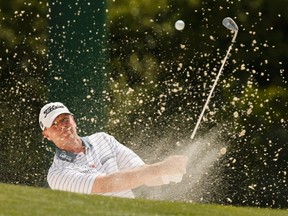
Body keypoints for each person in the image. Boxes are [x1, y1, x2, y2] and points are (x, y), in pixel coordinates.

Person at [39, 102, 188, 198]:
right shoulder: (57, 174)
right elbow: (107, 185)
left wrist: (169, 173)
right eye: (54, 124)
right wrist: (161, 168)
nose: (62, 126)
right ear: (46, 135)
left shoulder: (103, 139)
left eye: (65, 119)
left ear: (74, 120)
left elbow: (143, 173)